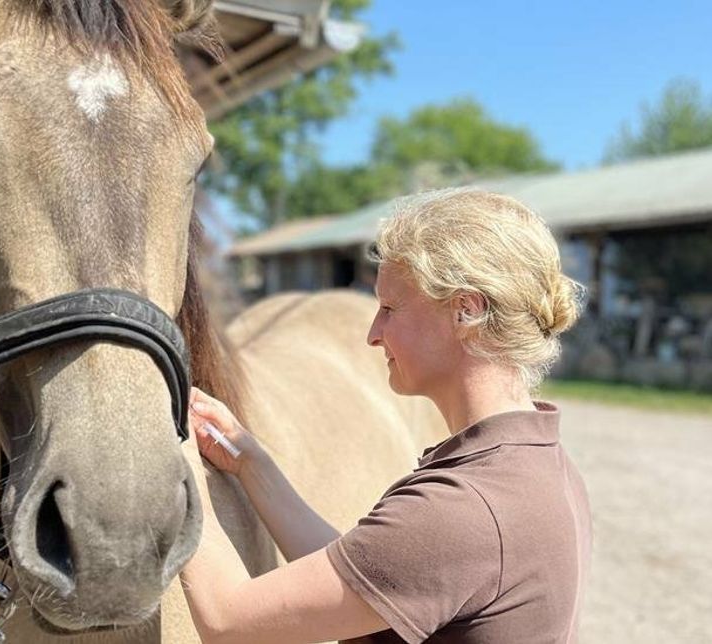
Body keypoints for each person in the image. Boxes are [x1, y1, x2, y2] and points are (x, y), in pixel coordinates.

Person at [179, 187, 592, 643]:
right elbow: (367, 577)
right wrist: (252, 465)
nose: (374, 334)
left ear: (465, 311)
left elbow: (227, 620)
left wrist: (176, 464)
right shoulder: (540, 465)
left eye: (390, 309)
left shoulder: (462, 509)